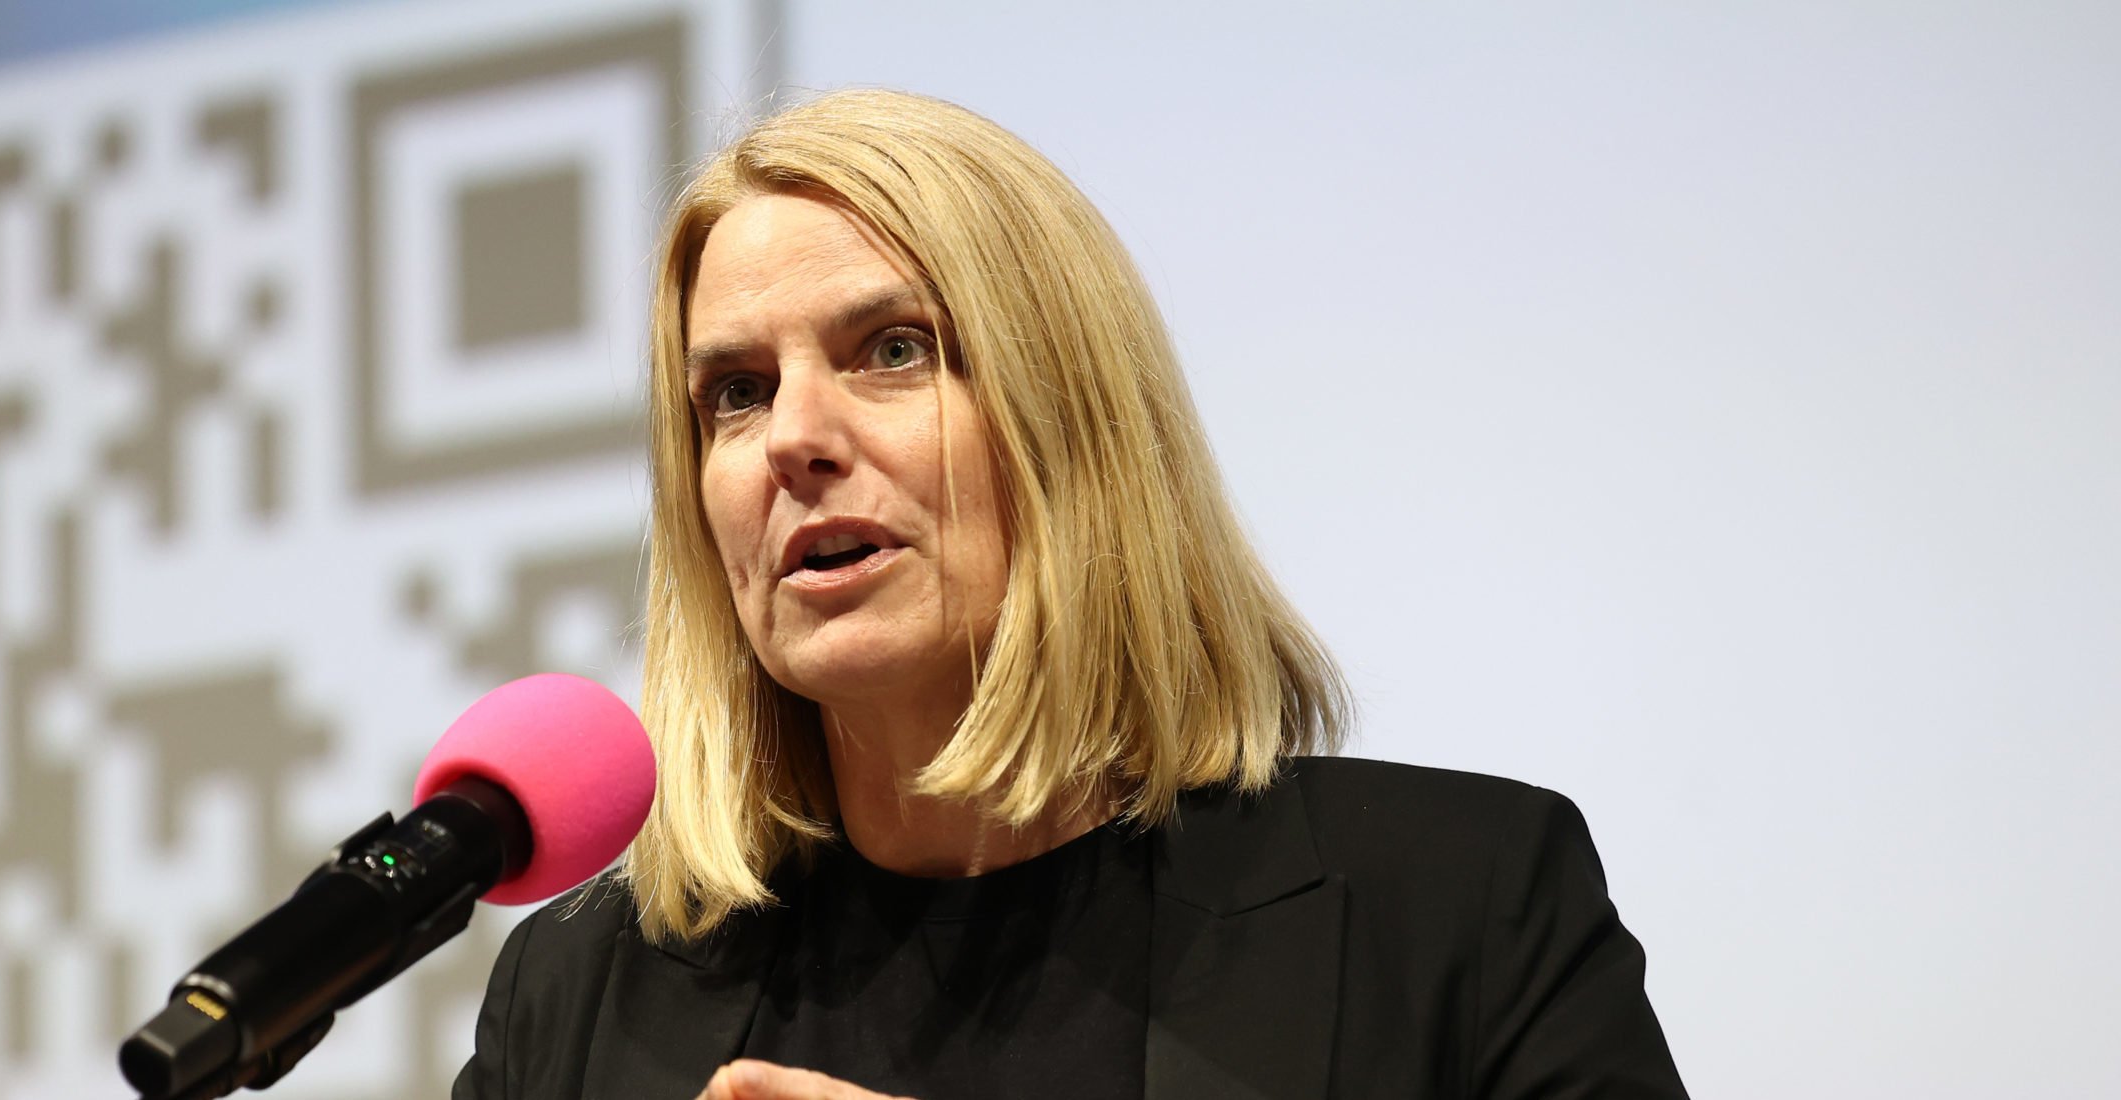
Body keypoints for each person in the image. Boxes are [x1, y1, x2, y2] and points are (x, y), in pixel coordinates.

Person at [452, 89, 1687, 1100]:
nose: (795, 436)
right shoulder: (575, 1003)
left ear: (1072, 418)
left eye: (894, 349)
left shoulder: (1455, 906)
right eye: (735, 390)